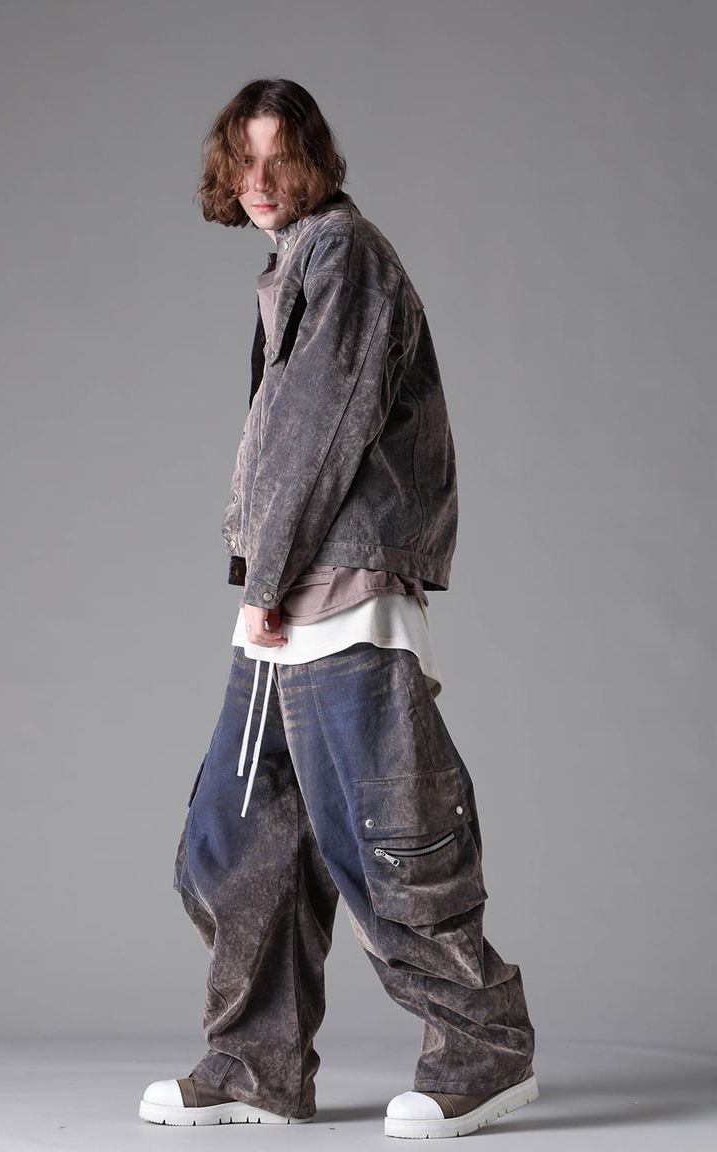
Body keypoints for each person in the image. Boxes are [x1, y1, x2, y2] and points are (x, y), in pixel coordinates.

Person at [139, 77, 538, 1141]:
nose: (259, 180)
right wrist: (265, 584)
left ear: (315, 161)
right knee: (237, 840)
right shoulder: (296, 262)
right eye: (244, 159)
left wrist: (267, 580)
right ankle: (256, 1064)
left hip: (339, 591)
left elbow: (319, 425)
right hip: (286, 597)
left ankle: (484, 1049)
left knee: (387, 838)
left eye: (281, 157)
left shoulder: (345, 255)